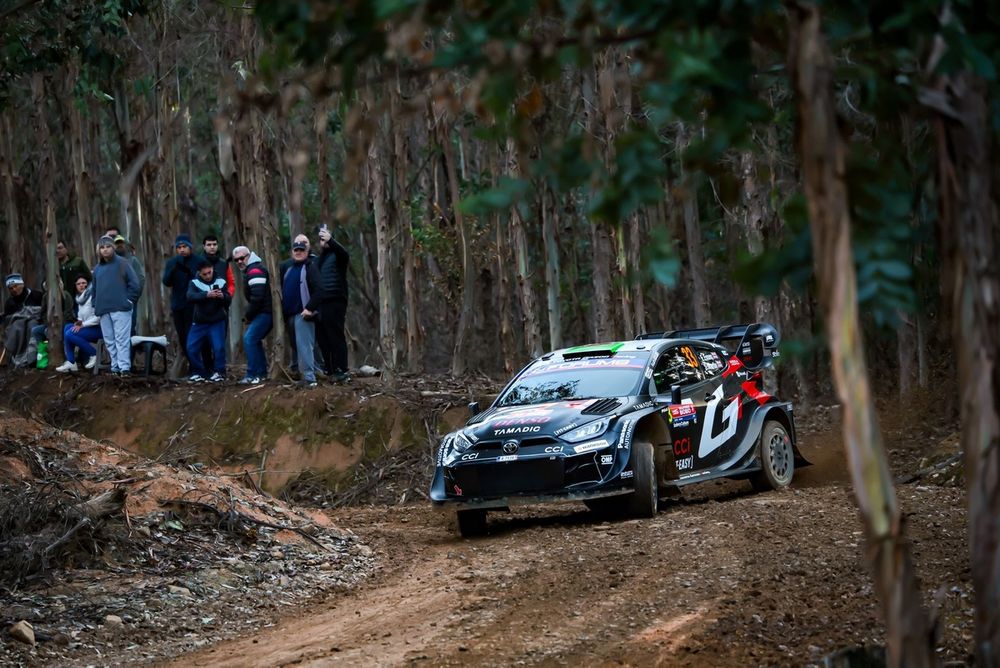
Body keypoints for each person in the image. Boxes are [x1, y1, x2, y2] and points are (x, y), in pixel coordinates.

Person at [92, 235, 141, 376]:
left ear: (113, 248)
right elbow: (94, 290)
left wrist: (129, 301)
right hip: (103, 310)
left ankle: (125, 367)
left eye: (108, 246)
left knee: (122, 339)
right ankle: (115, 367)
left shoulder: (123, 263)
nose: (105, 250)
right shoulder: (97, 269)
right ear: (99, 250)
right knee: (109, 341)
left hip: (121, 308)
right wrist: (95, 305)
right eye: (102, 247)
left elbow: (135, 285)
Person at [281, 239, 323, 388]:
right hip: (290, 315)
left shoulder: (310, 267)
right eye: (296, 250)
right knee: (297, 346)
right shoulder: (289, 269)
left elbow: (319, 290)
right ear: (292, 252)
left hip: (304, 315)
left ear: (307, 252)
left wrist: (309, 308)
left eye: (301, 250)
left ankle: (310, 379)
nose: (298, 252)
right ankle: (311, 374)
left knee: (305, 346)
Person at [185, 259, 231, 382]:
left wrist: (223, 296)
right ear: (199, 273)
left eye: (209, 272)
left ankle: (220, 372)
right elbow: (190, 296)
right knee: (191, 347)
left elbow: (228, 299)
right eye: (204, 274)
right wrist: (206, 295)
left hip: (217, 320)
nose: (207, 276)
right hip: (199, 322)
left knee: (219, 347)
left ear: (212, 269)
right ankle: (198, 372)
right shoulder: (194, 283)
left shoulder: (221, 281)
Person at [232, 245, 272, 384]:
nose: (239, 262)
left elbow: (258, 297)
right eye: (236, 260)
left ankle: (253, 374)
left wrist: (248, 316)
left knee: (249, 339)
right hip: (262, 312)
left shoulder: (254, 270)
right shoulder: (251, 270)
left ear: (249, 256)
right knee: (253, 339)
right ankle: (260, 374)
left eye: (242, 258)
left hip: (265, 312)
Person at [316, 225, 350, 382]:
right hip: (321, 302)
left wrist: (331, 240)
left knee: (335, 335)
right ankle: (329, 368)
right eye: (321, 239)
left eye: (326, 238)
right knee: (323, 338)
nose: (324, 241)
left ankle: (341, 369)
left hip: (336, 300)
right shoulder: (320, 259)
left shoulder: (338, 255)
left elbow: (344, 254)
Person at [162, 234, 198, 367]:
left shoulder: (197, 261)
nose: (182, 250)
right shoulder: (172, 262)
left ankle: (200, 367)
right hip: (178, 305)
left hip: (194, 305)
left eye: (185, 247)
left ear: (190, 247)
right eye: (179, 247)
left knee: (193, 335)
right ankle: (192, 365)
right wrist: (173, 270)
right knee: (182, 337)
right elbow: (166, 282)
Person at [54, 276, 102, 372]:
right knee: (68, 327)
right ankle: (71, 362)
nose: (81, 285)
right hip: (88, 328)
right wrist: (78, 323)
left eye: (84, 283)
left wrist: (82, 325)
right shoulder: (80, 299)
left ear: (88, 285)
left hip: (98, 329)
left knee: (69, 334)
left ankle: (94, 354)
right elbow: (80, 317)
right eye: (78, 284)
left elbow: (98, 318)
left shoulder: (93, 296)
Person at [2, 274, 45, 367]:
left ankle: (32, 357)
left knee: (32, 326)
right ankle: (19, 359)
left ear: (22, 284)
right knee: (17, 327)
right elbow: (9, 319)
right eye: (11, 288)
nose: (14, 289)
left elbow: (42, 311)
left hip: (35, 322)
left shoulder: (36, 295)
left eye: (16, 286)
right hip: (18, 327)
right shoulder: (10, 303)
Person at [114, 234, 146, 334]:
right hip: (114, 302)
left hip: (129, 301)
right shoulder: (110, 262)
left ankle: (132, 350)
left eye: (121, 243)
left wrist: (132, 298)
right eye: (117, 243)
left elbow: (140, 279)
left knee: (130, 328)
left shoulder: (133, 261)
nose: (119, 245)